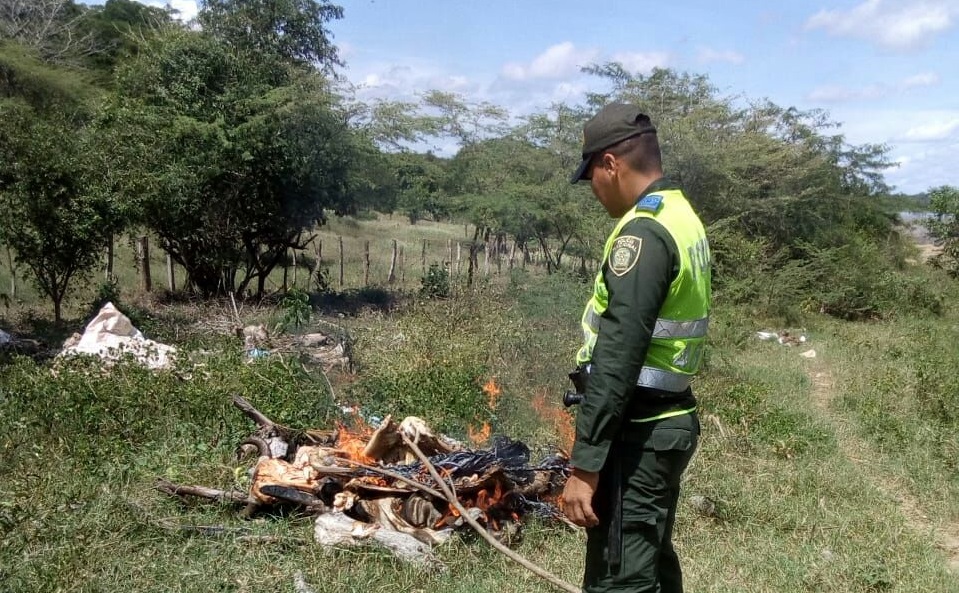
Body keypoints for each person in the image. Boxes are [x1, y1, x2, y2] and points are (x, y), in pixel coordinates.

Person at [561, 102, 711, 593]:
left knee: (619, 579)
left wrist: (585, 464)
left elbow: (618, 357)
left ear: (611, 164)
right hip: (666, 424)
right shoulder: (681, 217)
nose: (594, 190)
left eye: (592, 177)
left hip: (639, 435)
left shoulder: (642, 235)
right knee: (651, 566)